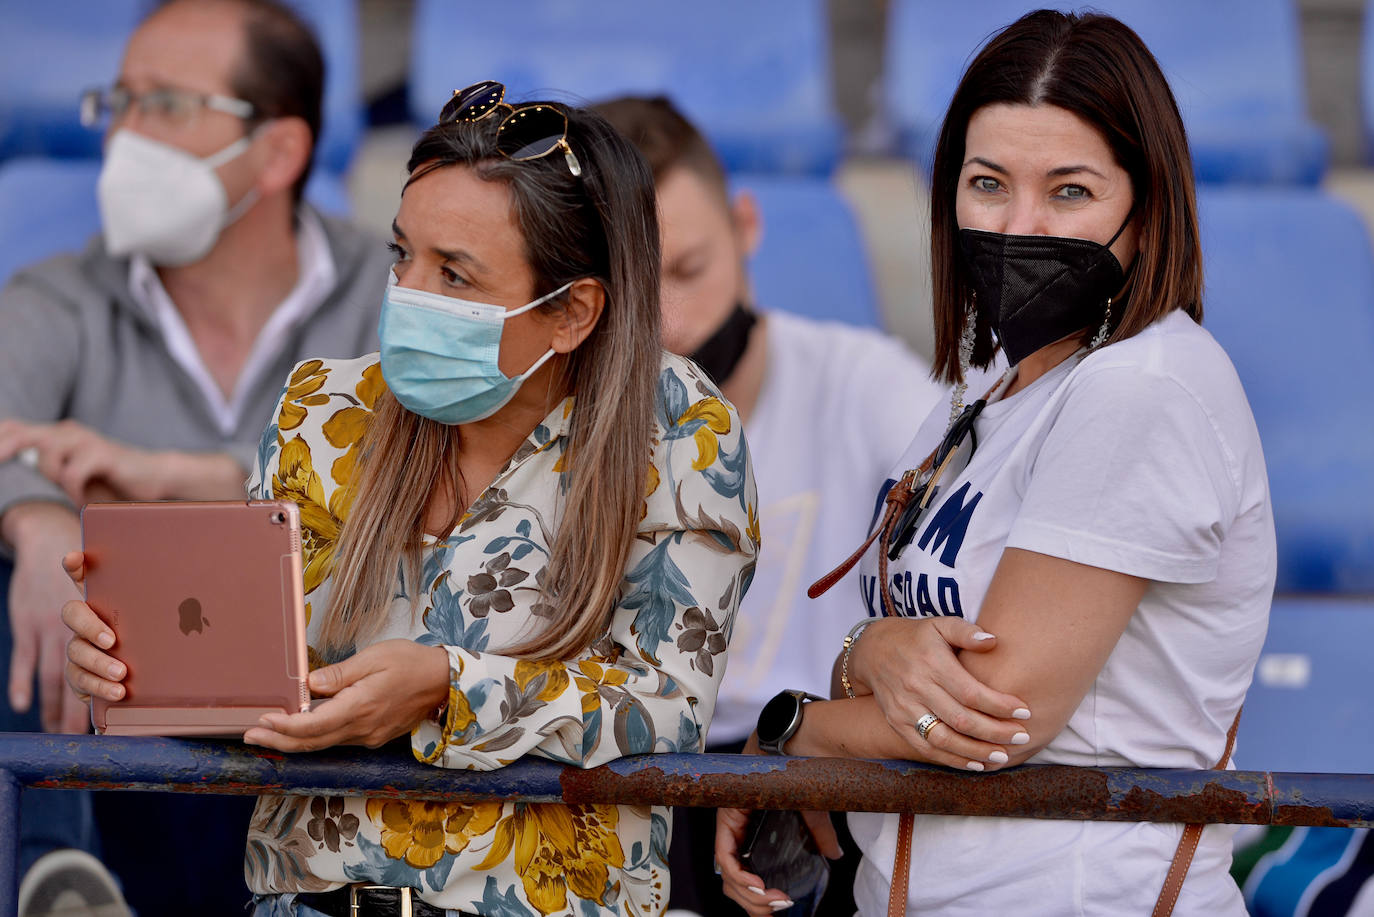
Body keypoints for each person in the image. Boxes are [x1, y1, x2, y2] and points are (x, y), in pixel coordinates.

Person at [64, 80, 760, 917]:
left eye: (454, 274)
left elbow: (668, 707)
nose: (408, 293)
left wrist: (447, 687)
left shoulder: (682, 431)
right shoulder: (322, 409)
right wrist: (142, 672)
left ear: (573, 311)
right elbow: (266, 675)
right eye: (403, 256)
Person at [715, 10, 1275, 916]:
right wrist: (870, 651)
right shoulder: (989, 384)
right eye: (988, 184)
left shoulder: (1144, 387)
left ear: (1149, 209)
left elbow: (993, 717)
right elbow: (903, 652)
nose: (1018, 225)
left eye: (1070, 191)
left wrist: (792, 732)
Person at [0, 0, 390, 910]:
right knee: (14, 571)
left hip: (318, 715)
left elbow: (422, 473)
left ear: (280, 150)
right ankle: (56, 879)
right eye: (119, 102)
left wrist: (192, 475)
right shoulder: (58, 295)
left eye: (166, 105)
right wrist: (37, 518)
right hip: (116, 724)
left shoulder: (391, 291)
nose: (123, 135)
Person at [592, 96, 942, 917]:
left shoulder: (862, 383)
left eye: (688, 270)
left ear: (746, 226)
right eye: (632, 289)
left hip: (815, 782)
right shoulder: (552, 424)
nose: (669, 324)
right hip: (621, 779)